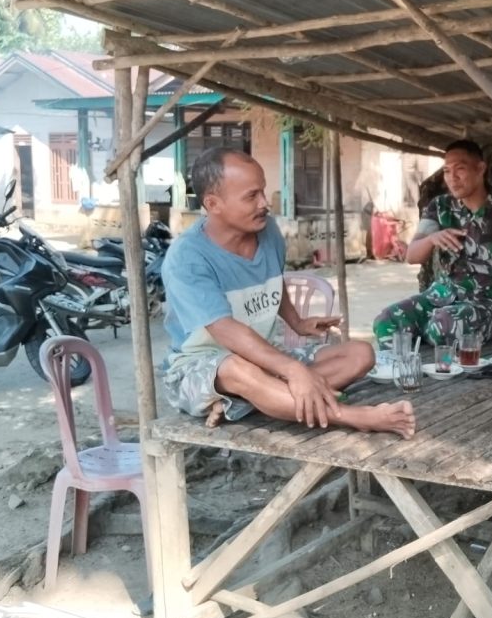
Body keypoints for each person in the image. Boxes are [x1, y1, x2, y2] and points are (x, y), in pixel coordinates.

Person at [161, 147, 415, 438]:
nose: (264, 203)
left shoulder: (267, 231)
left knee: (360, 354)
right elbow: (227, 331)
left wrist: (297, 322)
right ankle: (355, 417)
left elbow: (272, 278)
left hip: (264, 361)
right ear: (213, 204)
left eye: (263, 191)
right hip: (198, 368)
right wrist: (293, 370)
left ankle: (248, 401)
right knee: (235, 368)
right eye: (251, 196)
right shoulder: (187, 258)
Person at [373, 140, 492, 348]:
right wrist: (432, 239)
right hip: (439, 299)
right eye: (446, 171)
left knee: (442, 325)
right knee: (386, 322)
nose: (452, 177)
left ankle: (429, 348)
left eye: (460, 169)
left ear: (480, 169)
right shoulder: (440, 207)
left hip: (487, 308)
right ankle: (408, 365)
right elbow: (412, 256)